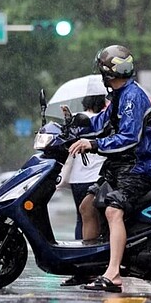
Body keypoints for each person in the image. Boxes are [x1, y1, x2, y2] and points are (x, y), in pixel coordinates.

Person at [65, 45, 151, 292]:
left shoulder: (133, 97)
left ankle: (113, 275)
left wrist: (94, 144)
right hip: (121, 167)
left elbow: (129, 138)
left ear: (109, 74)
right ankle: (90, 267)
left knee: (113, 211)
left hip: (141, 167)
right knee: (87, 206)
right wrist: (76, 123)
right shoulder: (119, 96)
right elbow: (101, 121)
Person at [57, 95, 107, 243]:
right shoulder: (103, 121)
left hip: (77, 178)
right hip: (97, 177)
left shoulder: (76, 120)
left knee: (81, 217)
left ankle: (79, 245)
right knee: (97, 216)